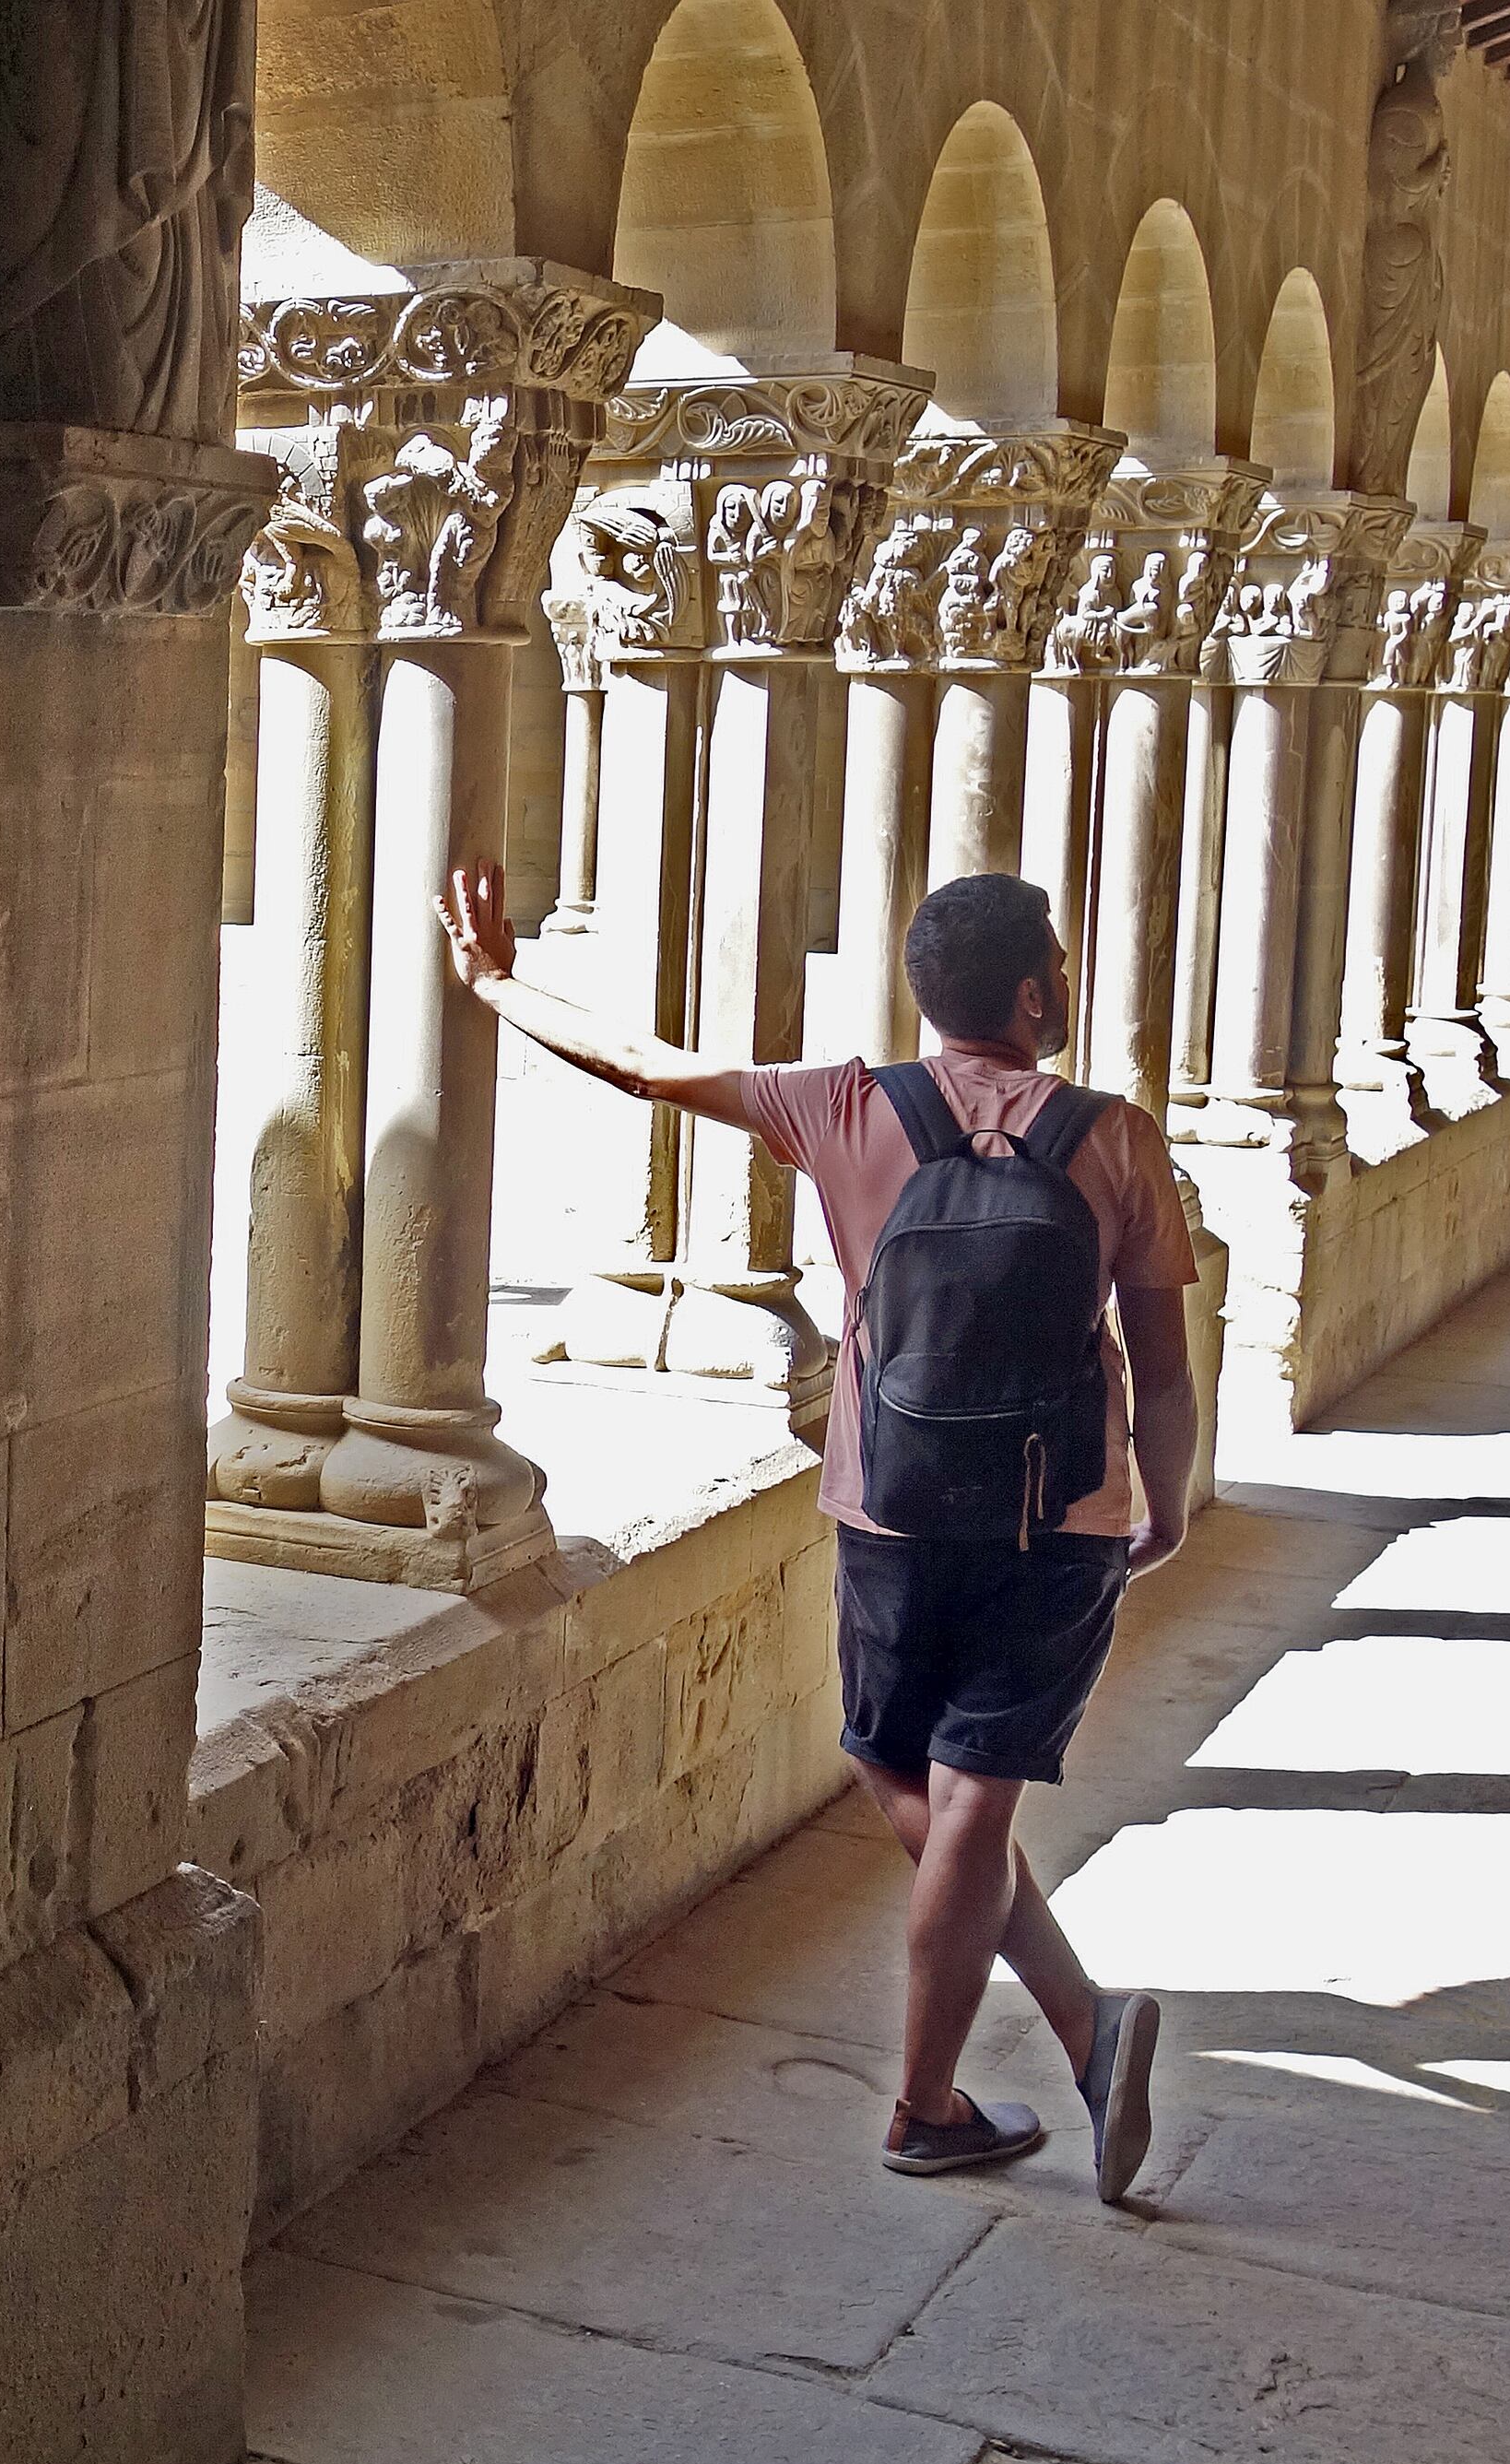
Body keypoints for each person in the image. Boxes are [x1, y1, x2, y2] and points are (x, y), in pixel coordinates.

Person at [438, 857, 1189, 2202]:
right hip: (1059, 1515)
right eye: (1059, 964)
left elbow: (644, 1068)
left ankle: (949, 2093)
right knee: (974, 1789)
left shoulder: (845, 1105)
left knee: (906, 1770)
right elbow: (1164, 1357)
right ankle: (1055, 2039)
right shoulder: (1117, 1136)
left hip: (892, 1500)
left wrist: (497, 982)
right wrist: (1169, 1494)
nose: (1066, 979)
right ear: (1030, 992)